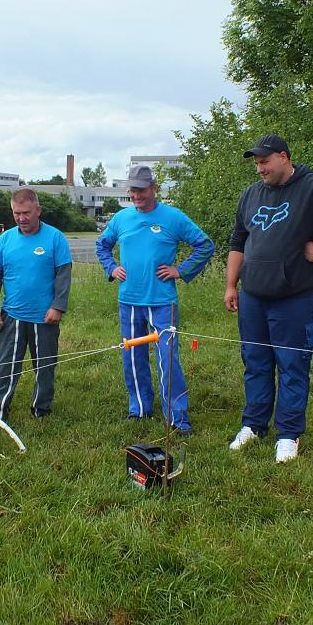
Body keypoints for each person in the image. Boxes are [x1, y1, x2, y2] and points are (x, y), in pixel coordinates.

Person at [225, 135, 313, 464]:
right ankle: (254, 425)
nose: (260, 169)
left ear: (284, 158)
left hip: (294, 297)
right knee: (256, 363)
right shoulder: (251, 194)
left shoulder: (312, 188)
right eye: (257, 163)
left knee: (292, 366)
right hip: (253, 297)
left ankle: (288, 434)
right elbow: (238, 240)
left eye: (265, 162)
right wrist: (231, 284)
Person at [96, 165, 214, 433]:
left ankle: (177, 417)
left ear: (154, 188)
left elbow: (204, 245)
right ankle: (139, 408)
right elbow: (102, 245)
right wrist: (111, 268)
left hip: (162, 302)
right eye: (132, 190)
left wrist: (180, 270)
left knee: (168, 357)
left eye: (141, 189)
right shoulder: (121, 219)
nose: (136, 195)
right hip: (129, 300)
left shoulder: (173, 218)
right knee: (133, 355)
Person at [0, 189, 72, 429]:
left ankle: (41, 409)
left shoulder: (55, 238)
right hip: (12, 316)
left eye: (26, 213)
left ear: (38, 211)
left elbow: (63, 276)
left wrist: (58, 307)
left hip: (45, 318)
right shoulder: (4, 240)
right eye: (16, 213)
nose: (21, 218)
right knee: (5, 368)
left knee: (44, 368)